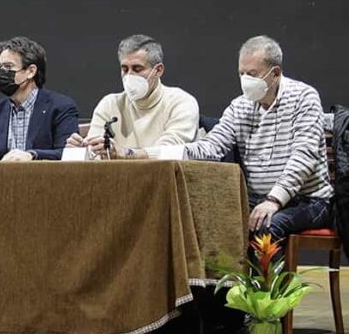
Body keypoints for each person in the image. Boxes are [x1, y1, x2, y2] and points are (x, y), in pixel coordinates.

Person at [185, 35, 333, 239]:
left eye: (252, 74)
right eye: (241, 73)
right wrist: (155, 153)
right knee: (207, 221)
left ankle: (268, 273)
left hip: (308, 199)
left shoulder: (304, 97)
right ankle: (226, 272)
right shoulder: (240, 105)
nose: (246, 80)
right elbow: (212, 146)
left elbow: (304, 157)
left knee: (266, 226)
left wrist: (274, 200)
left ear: (275, 73)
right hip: (257, 198)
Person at [66, 34, 200, 159]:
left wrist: (125, 153)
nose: (129, 76)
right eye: (124, 69)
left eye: (137, 69)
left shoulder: (182, 102)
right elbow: (96, 156)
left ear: (158, 70)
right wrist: (83, 151)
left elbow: (169, 153)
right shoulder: (109, 104)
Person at [0, 36, 78, 160]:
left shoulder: (61, 108)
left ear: (31, 71)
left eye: (8, 67)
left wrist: (32, 155)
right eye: (0, 68)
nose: (2, 73)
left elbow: (68, 154)